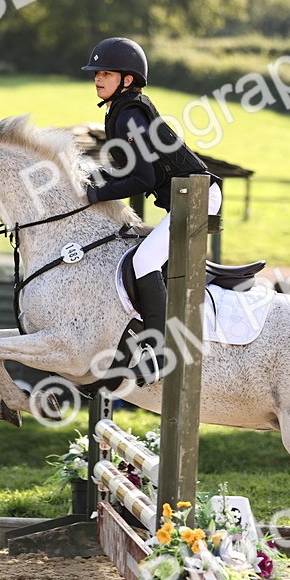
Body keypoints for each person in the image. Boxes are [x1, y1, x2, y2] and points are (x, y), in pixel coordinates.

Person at [81, 37, 222, 386]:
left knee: (143, 262)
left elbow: (142, 177)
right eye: (97, 72)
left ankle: (160, 355)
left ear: (127, 80)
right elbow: (134, 171)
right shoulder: (122, 110)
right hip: (185, 195)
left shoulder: (129, 116)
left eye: (107, 73)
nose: (98, 78)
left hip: (198, 196)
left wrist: (97, 192)